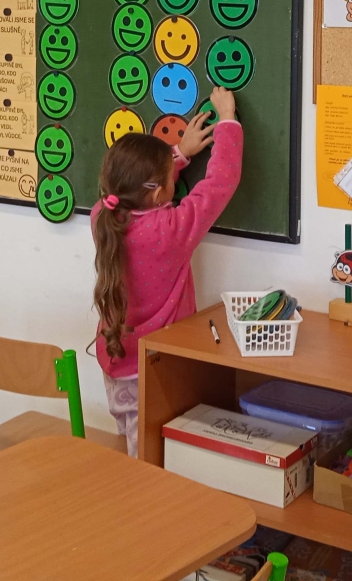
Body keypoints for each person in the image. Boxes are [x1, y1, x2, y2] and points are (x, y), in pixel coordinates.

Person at [91, 87, 242, 456]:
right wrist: (227, 119)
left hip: (116, 360)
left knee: (131, 442)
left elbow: (137, 189)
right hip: (156, 368)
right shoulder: (170, 231)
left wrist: (178, 155)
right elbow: (219, 183)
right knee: (148, 461)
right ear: (159, 193)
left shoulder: (102, 216)